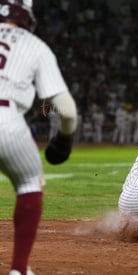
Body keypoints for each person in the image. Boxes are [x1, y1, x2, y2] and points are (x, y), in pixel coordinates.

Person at [0, 1, 78, 274]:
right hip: (6, 120)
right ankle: (19, 269)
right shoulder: (35, 46)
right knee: (30, 182)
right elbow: (67, 110)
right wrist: (63, 141)